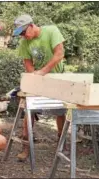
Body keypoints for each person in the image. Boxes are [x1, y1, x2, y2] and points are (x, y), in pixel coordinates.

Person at [13, 14, 67, 161]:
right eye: (21, 35)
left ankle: (61, 145)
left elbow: (59, 53)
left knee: (61, 111)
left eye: (24, 32)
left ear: (31, 25)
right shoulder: (25, 42)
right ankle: (26, 147)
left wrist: (44, 71)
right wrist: (34, 79)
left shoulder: (52, 31)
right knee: (28, 109)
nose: (23, 37)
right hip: (40, 80)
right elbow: (28, 63)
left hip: (58, 77)